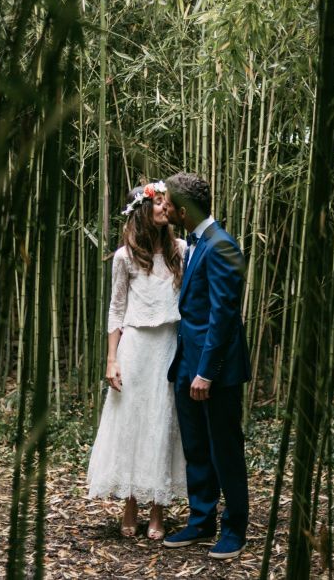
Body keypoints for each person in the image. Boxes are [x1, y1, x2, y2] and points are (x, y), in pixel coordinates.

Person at [87, 181, 187, 540]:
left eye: (165, 203)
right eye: (158, 203)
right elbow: (116, 309)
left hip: (169, 346)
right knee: (132, 423)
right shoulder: (124, 257)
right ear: (143, 211)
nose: (165, 208)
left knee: (162, 424)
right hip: (135, 347)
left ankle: (158, 508)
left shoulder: (181, 250)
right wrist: (112, 359)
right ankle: (130, 503)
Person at [161, 172, 251, 560]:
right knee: (196, 445)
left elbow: (223, 315)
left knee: (224, 447)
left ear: (183, 210)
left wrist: (206, 372)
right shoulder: (194, 243)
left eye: (166, 203)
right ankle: (201, 520)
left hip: (214, 369)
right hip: (187, 362)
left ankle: (234, 528)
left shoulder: (222, 246)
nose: (161, 208)